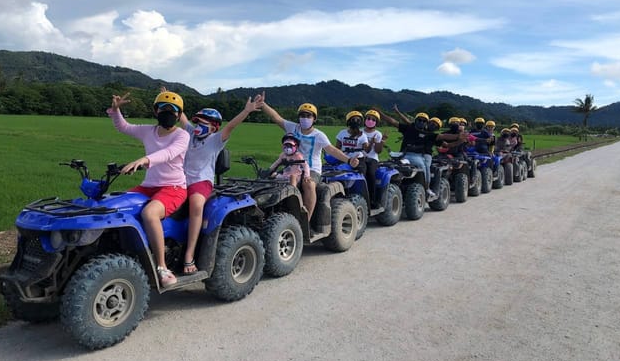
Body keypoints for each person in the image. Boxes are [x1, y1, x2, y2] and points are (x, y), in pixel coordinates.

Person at [108, 90, 190, 287]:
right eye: (163, 109)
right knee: (114, 204)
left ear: (179, 115)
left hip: (174, 187)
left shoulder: (182, 135)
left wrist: (144, 160)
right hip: (148, 186)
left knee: (150, 213)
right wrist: (116, 110)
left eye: (173, 110)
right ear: (156, 112)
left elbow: (168, 153)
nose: (168, 113)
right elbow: (124, 127)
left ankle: (161, 267)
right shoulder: (148, 131)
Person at [179, 95, 264, 274]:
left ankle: (189, 254)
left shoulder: (215, 140)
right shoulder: (189, 135)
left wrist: (247, 111)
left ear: (214, 126)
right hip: (181, 180)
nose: (198, 125)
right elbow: (182, 117)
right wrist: (172, 101)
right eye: (197, 122)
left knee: (195, 205)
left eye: (203, 123)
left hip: (201, 182)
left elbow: (231, 126)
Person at [260, 98, 359, 229]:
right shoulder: (293, 128)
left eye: (308, 115)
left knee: (309, 184)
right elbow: (276, 117)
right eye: (302, 115)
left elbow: (332, 150)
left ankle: (304, 222)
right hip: (292, 167)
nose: (304, 118)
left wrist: (348, 160)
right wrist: (263, 104)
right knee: (271, 180)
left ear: (314, 119)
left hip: (311, 169)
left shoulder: (319, 135)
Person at [377, 107, 439, 200]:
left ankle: (427, 188)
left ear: (426, 123)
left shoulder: (428, 134)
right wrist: (382, 114)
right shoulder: (409, 127)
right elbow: (394, 122)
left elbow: (444, 137)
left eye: (423, 121)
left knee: (425, 167)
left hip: (422, 155)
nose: (421, 122)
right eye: (419, 120)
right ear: (416, 120)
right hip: (405, 154)